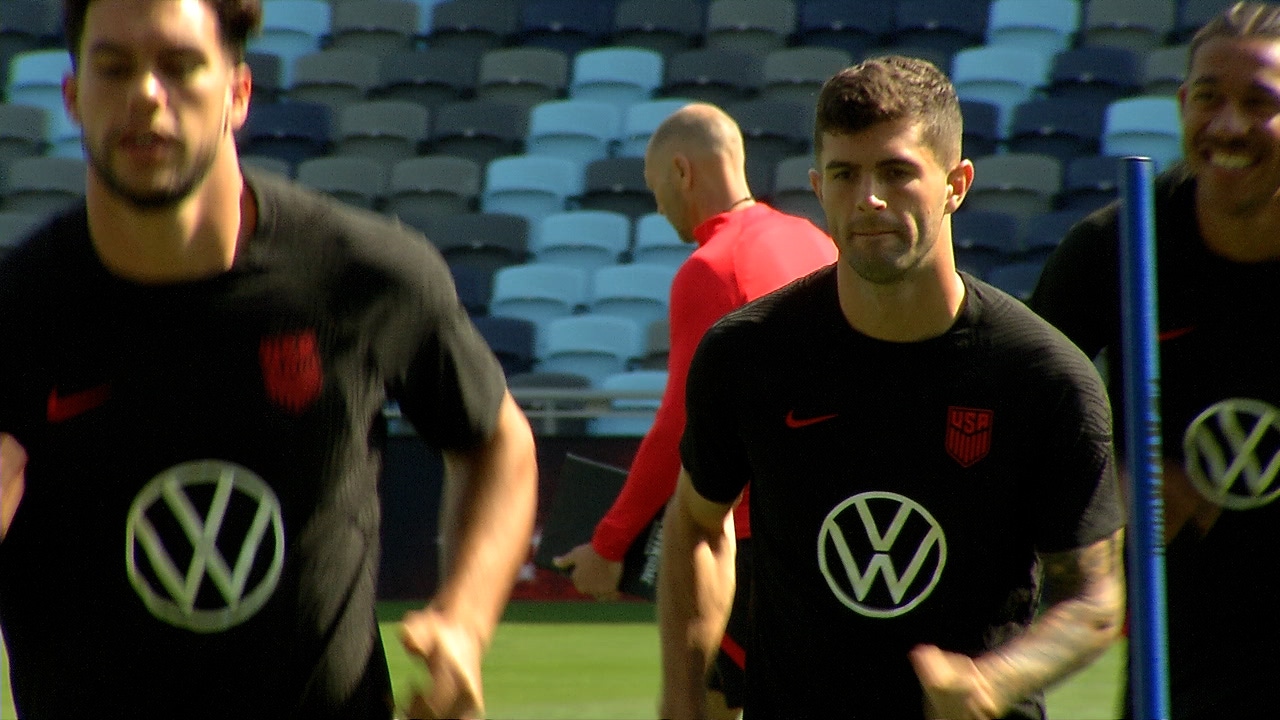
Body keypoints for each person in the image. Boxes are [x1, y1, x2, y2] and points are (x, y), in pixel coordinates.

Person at [0, 1, 538, 718]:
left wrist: (464, 624)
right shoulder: (17, 313)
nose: (147, 95)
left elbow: (498, 442)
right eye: (115, 67)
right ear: (73, 96)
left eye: (181, 66)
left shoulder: (364, 276)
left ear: (238, 93)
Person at [657, 55, 1127, 720]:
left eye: (898, 171)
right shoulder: (748, 354)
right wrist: (681, 698)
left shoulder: (1044, 378)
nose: (869, 197)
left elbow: (1095, 601)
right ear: (819, 187)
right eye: (846, 174)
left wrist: (996, 681)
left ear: (956, 184)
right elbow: (696, 523)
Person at [1030, 4, 1280, 717]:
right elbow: (1014, 419)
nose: (1228, 126)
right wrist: (1111, 484)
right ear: (1181, 105)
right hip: (1178, 660)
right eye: (1209, 99)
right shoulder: (1116, 249)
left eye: (1260, 103)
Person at [551, 101, 837, 717]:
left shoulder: (712, 267)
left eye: (656, 189)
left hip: (756, 545)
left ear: (683, 171)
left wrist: (608, 545)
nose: (658, 207)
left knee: (694, 707)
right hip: (835, 531)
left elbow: (680, 426)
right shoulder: (815, 240)